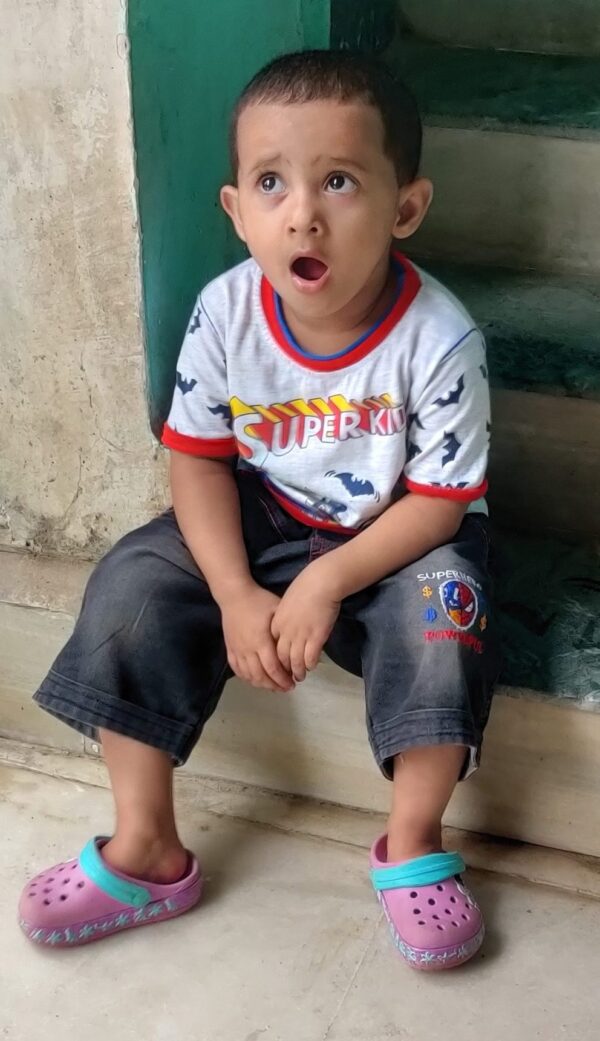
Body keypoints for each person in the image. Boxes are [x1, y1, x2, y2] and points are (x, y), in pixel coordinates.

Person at [19, 49, 500, 969]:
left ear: (405, 208)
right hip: (264, 511)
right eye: (271, 182)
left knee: (449, 615)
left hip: (399, 533)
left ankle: (412, 842)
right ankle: (146, 845)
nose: (303, 211)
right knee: (133, 581)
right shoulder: (226, 312)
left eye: (340, 180)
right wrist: (238, 592)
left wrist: (328, 579)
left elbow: (440, 505)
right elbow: (196, 464)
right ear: (238, 212)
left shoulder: (440, 337)